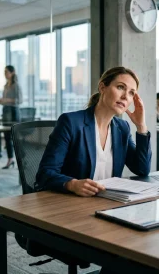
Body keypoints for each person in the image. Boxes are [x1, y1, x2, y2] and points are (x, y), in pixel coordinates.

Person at [35, 66, 151, 195]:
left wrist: (141, 126)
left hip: (109, 202)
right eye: (120, 87)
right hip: (72, 203)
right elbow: (45, 173)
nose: (125, 96)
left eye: (131, 93)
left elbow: (142, 169)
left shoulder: (122, 128)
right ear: (102, 88)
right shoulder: (71, 122)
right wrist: (72, 184)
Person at [0, 65, 23, 169]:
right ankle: (10, 159)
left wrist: (6, 100)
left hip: (13, 113)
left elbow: (19, 100)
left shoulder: (16, 85)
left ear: (12, 73)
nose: (5, 73)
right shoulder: (5, 86)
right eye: (4, 71)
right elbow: (5, 99)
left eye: (6, 71)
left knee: (15, 138)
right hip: (5, 112)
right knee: (7, 137)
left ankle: (21, 161)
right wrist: (1, 101)